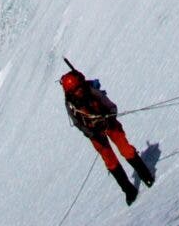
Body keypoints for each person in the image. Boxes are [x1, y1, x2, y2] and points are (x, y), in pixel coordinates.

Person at [60, 68, 154, 205]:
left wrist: (108, 118)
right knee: (110, 161)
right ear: (70, 93)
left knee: (125, 149)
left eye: (79, 87)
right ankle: (129, 190)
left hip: (109, 124)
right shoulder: (70, 105)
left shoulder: (91, 91)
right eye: (75, 90)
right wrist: (93, 132)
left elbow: (111, 107)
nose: (78, 91)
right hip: (95, 135)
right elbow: (79, 124)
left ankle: (146, 176)